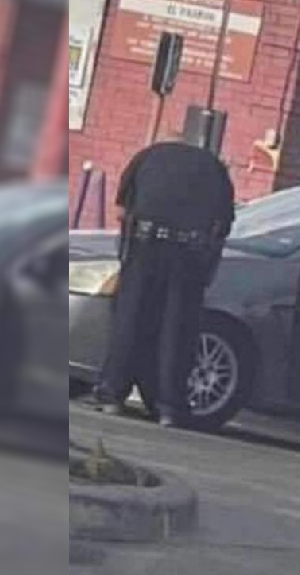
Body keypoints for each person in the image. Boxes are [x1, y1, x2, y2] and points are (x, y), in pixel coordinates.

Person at [88, 128, 235, 428]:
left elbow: (121, 210)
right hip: (189, 256)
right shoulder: (215, 168)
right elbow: (223, 224)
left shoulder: (147, 157)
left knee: (129, 319)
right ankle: (168, 406)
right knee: (176, 328)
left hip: (144, 247)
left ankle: (112, 394)